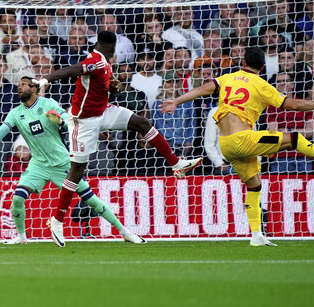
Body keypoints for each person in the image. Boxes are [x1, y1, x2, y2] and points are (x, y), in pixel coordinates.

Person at [160, 47, 314, 246]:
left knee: (254, 185)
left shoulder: (227, 78)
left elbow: (202, 89)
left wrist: (176, 101)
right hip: (244, 140)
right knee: (294, 139)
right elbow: (292, 105)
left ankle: (256, 234)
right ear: (263, 66)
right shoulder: (262, 84)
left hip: (227, 146)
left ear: (243, 63)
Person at [33, 30, 202, 247]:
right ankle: (57, 221)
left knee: (142, 123)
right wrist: (45, 79)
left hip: (103, 111)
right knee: (76, 171)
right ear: (111, 48)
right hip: (83, 121)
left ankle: (176, 163)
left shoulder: (104, 62)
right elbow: (73, 70)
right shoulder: (94, 60)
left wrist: (112, 86)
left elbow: (98, 83)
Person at [0, 77, 145, 244]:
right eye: (18, 85)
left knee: (91, 200)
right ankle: (22, 237)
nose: (19, 87)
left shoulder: (48, 104)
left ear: (35, 89)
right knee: (17, 199)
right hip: (38, 164)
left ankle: (125, 232)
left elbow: (72, 124)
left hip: (62, 163)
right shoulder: (15, 113)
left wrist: (60, 122)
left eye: (23, 84)